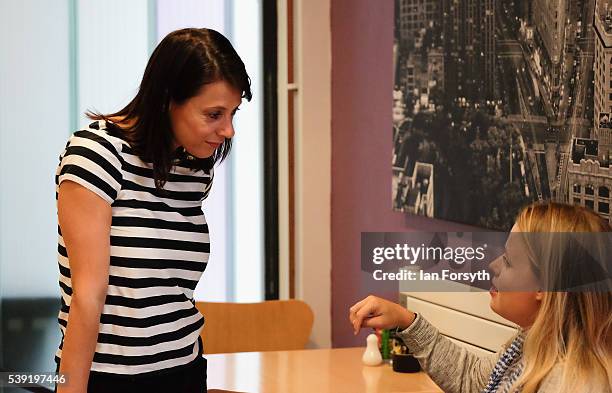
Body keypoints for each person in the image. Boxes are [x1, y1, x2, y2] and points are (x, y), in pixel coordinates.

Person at [54, 28, 251, 393]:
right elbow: (88, 295)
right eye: (214, 114)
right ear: (166, 100)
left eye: (233, 113)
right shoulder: (97, 154)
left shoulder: (194, 167)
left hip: (184, 369)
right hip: (107, 375)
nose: (228, 130)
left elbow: (170, 288)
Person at [350, 202, 611, 393]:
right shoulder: (532, 345)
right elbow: (472, 380)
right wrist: (405, 319)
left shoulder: (569, 383)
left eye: (508, 261)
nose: (493, 265)